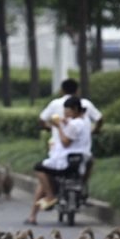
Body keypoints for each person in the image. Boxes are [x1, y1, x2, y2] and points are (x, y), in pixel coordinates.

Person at [26, 96, 91, 224]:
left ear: (75, 109)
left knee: (39, 168)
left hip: (66, 161)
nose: (65, 113)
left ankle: (50, 196)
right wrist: (64, 123)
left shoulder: (74, 124)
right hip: (81, 159)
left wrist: (59, 127)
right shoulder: (84, 122)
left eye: (67, 110)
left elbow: (66, 142)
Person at [39, 78, 103, 182]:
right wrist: (94, 130)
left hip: (62, 153)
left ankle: (49, 192)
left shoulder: (56, 105)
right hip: (83, 152)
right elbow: (99, 119)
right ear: (77, 90)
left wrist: (55, 127)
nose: (65, 113)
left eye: (67, 111)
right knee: (89, 163)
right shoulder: (84, 115)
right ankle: (83, 185)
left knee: (44, 172)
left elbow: (42, 120)